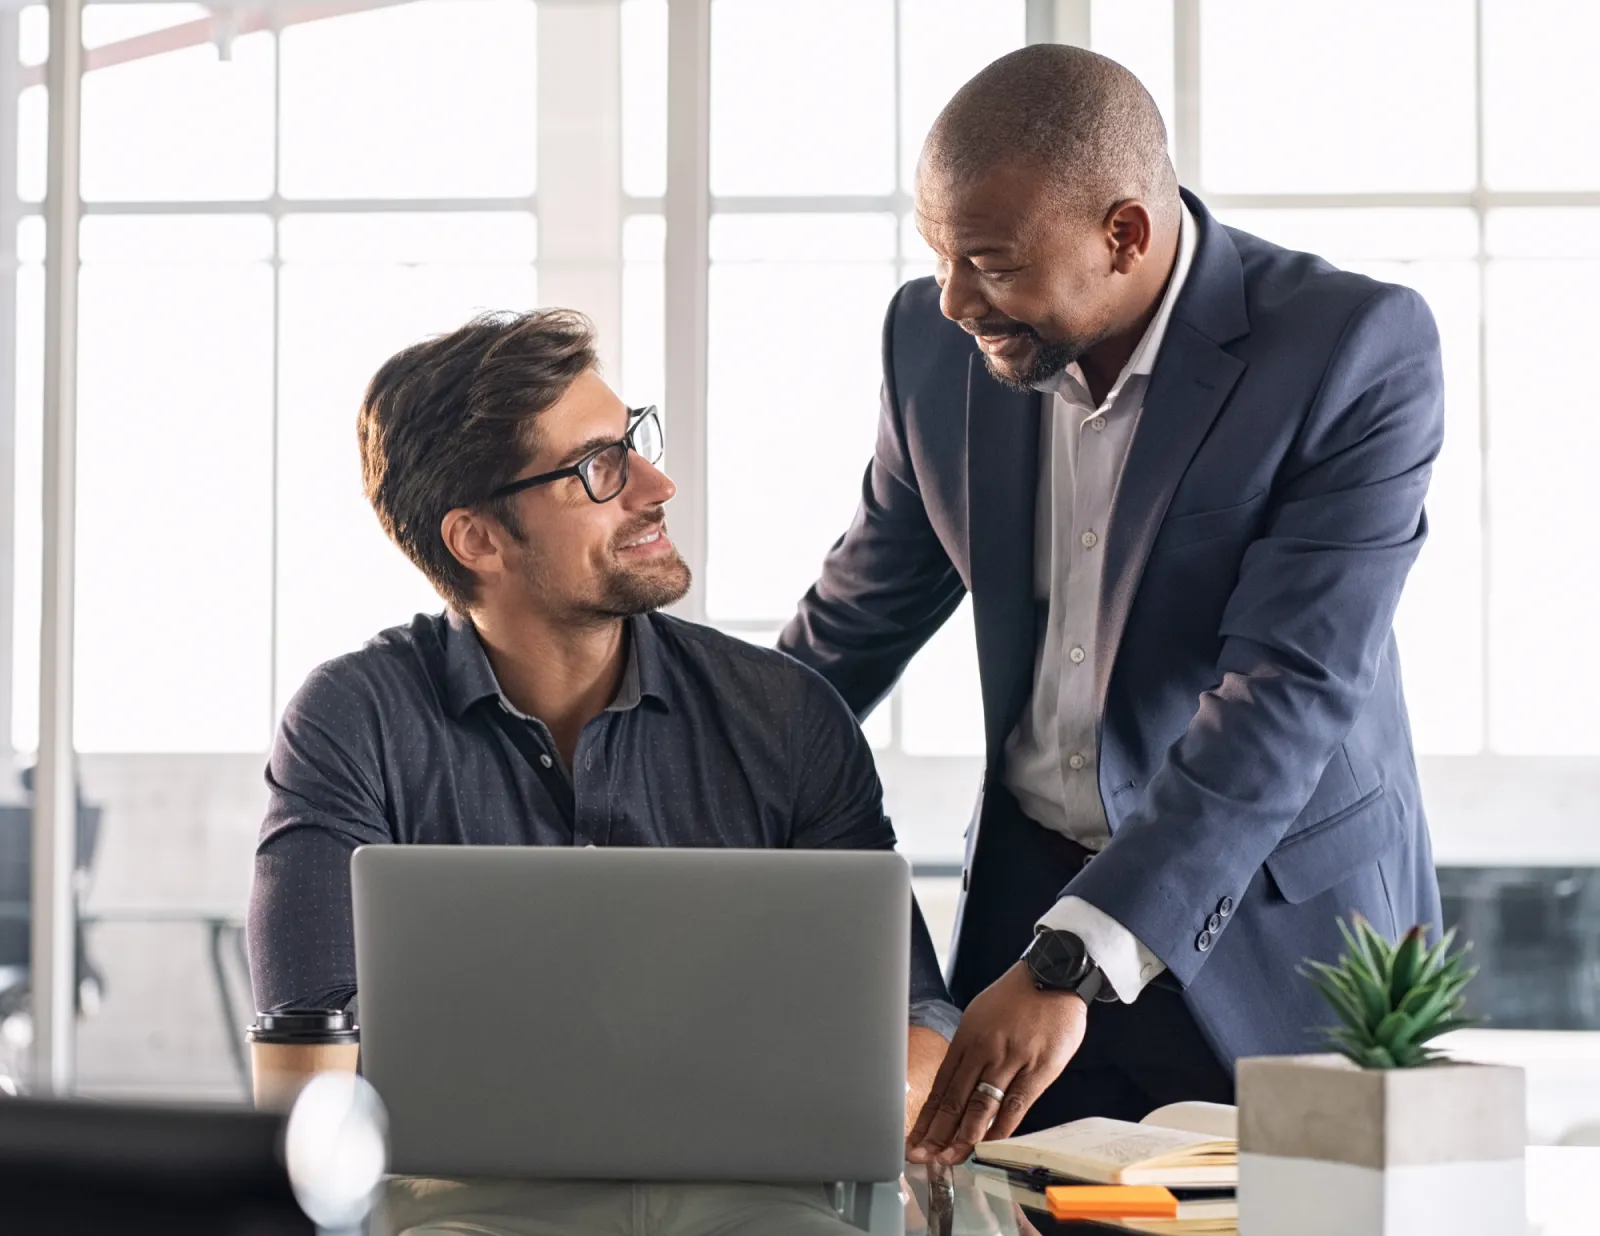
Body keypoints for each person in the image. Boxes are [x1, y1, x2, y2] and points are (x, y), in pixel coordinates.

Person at [777, 43, 1445, 1162]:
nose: (951, 300)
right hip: (1022, 908)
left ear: (1123, 235)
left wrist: (1073, 960)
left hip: (1274, 925)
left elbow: (1288, 688)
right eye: (939, 256)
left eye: (986, 262)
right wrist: (659, 755)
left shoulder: (1349, 348)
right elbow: (853, 622)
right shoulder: (930, 346)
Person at [246, 309, 957, 1125]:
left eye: (635, 442)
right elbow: (311, 1050)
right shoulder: (351, 723)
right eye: (596, 468)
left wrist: (875, 1095)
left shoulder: (788, 715)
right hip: (465, 1208)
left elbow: (915, 1019)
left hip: (744, 1198)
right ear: (476, 539)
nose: (656, 488)